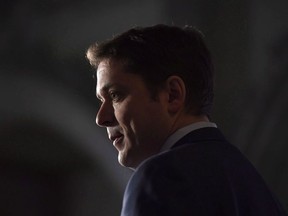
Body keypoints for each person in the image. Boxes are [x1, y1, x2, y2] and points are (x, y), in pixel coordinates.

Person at [86, 24, 287, 216]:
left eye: (115, 95)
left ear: (172, 95)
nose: (100, 118)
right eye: (101, 101)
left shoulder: (160, 178)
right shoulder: (255, 186)